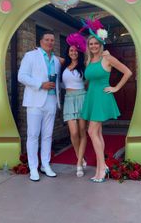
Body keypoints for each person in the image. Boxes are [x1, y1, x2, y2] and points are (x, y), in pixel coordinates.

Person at [81, 21, 132, 183]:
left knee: (91, 132)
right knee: (97, 132)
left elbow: (128, 72)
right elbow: (89, 81)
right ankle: (101, 167)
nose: (93, 46)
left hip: (102, 97)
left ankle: (102, 167)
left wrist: (116, 88)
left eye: (96, 43)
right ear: (88, 46)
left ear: (101, 43)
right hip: (92, 97)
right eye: (91, 44)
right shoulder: (89, 60)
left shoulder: (107, 57)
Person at [18, 31, 61, 181]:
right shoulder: (31, 56)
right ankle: (33, 168)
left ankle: (45, 165)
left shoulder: (55, 60)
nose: (50, 42)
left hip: (51, 101)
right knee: (33, 135)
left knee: (48, 135)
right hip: (35, 101)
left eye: (52, 40)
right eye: (47, 39)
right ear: (41, 41)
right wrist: (40, 84)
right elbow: (21, 76)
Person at [61, 32, 87, 177]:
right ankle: (80, 157)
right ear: (68, 52)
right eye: (71, 50)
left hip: (82, 97)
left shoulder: (84, 65)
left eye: (76, 50)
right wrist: (37, 51)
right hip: (69, 99)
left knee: (82, 131)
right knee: (74, 132)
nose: (73, 52)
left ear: (79, 52)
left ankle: (78, 163)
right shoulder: (63, 64)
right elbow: (50, 57)